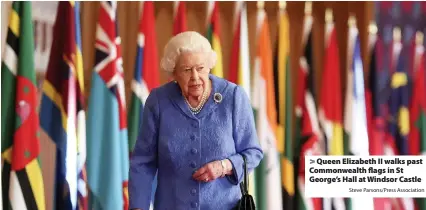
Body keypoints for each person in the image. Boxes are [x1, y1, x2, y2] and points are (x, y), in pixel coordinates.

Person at [129, 31, 263, 210]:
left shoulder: (233, 97)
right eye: (186, 70)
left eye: (200, 68)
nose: (195, 77)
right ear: (174, 73)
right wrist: (138, 206)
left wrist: (224, 166)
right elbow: (143, 162)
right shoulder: (158, 101)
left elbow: (253, 152)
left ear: (209, 67)